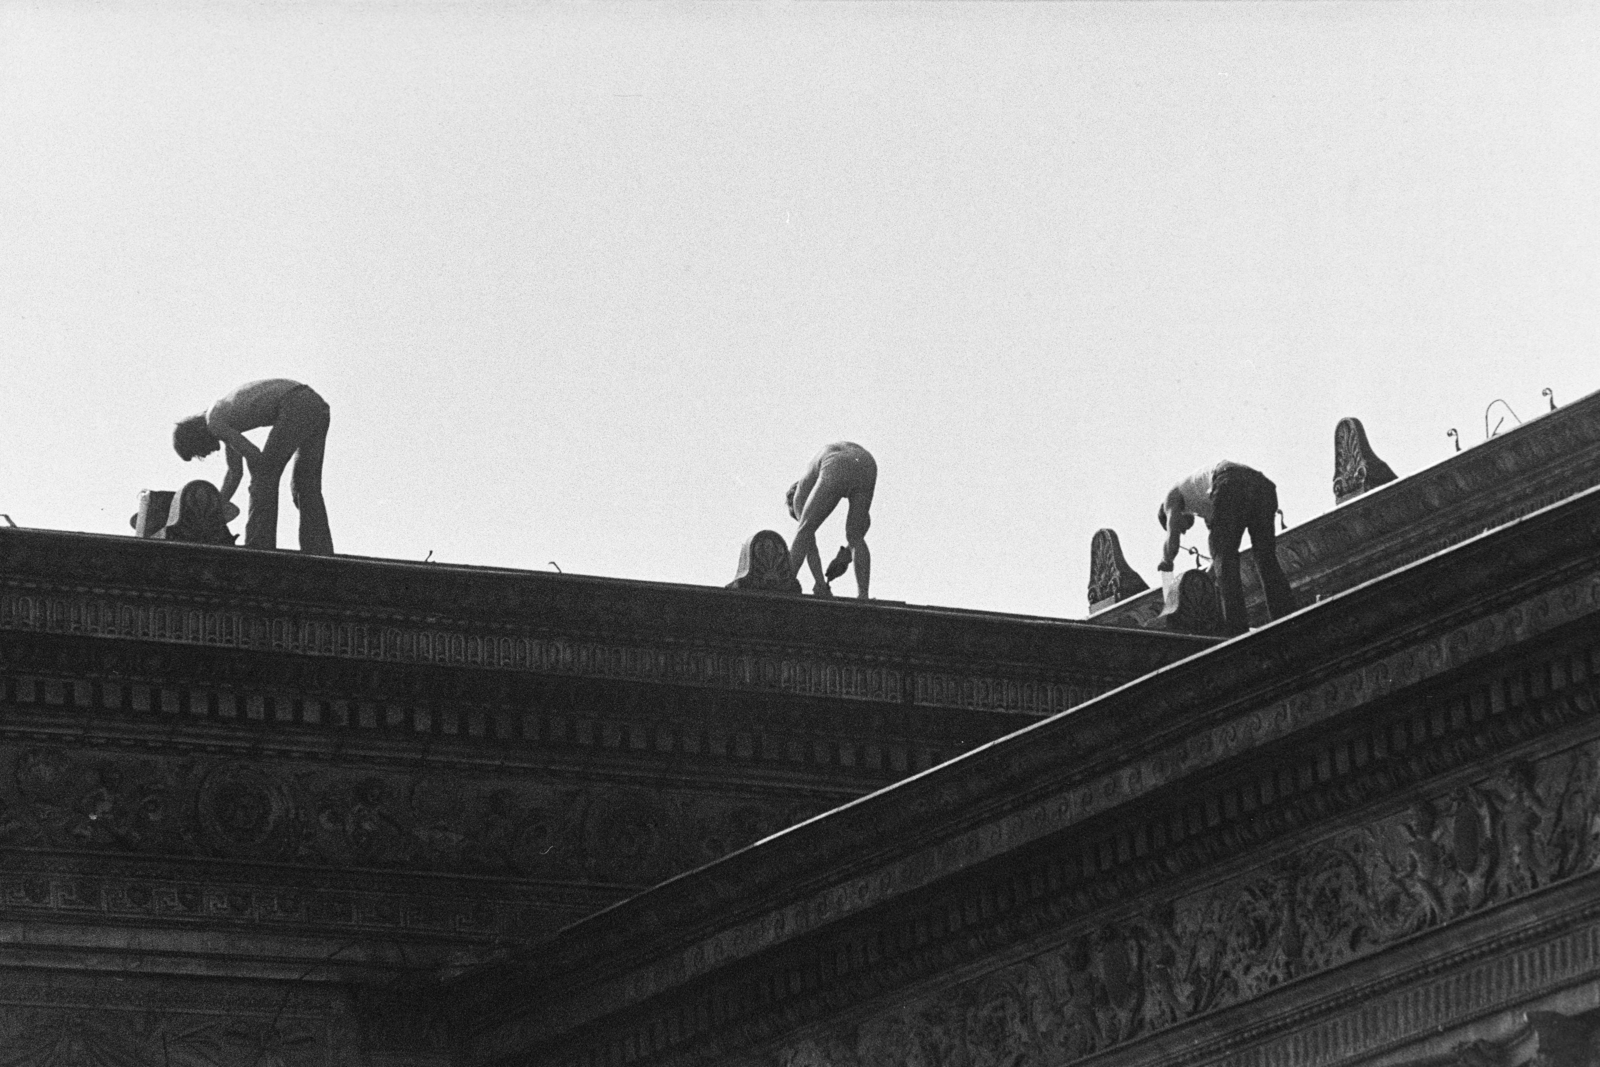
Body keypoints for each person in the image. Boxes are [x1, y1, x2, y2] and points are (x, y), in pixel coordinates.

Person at [172, 379, 334, 555]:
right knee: (305, 486)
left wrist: (258, 478)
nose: (206, 453)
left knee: (263, 477)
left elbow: (254, 455)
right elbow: (234, 473)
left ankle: (259, 545)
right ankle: (319, 549)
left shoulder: (214, 422)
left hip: (295, 403)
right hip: (316, 404)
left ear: (195, 438)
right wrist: (215, 508)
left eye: (198, 452)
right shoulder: (221, 416)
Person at [1157, 460, 1294, 636]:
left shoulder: (1172, 497)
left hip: (1230, 481)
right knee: (1265, 556)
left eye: (1180, 526)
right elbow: (1220, 552)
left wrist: (1166, 561)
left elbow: (1172, 540)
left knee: (1227, 564)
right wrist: (1207, 577)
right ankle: (1285, 615)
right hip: (1262, 486)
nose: (1183, 531)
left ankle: (1236, 630)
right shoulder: (1206, 503)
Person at [787, 442, 876, 599]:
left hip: (836, 463)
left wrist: (820, 583)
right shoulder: (813, 474)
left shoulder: (798, 498)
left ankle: (785, 584)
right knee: (856, 536)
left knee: (804, 531)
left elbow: (808, 544)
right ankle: (863, 595)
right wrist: (846, 555)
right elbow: (865, 523)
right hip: (866, 462)